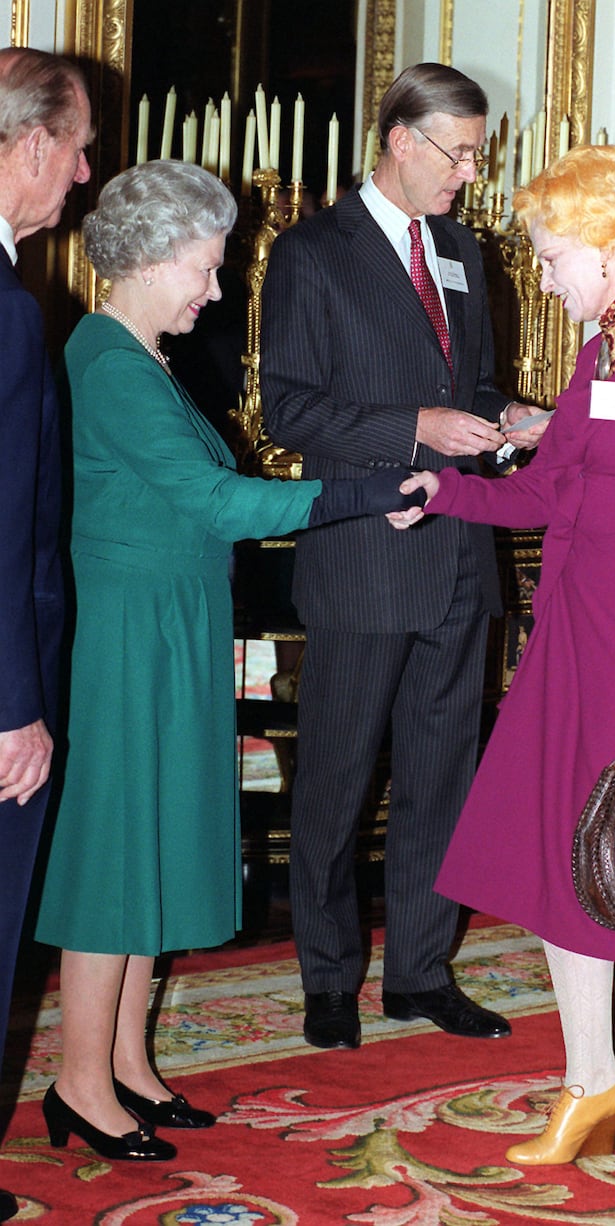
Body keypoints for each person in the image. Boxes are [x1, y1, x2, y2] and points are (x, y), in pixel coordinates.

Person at [32, 159, 421, 1164]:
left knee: (153, 840)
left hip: (167, 620)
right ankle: (78, 1081)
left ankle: (122, 1059)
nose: (214, 288)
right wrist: (360, 493)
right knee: (116, 853)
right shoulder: (110, 361)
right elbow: (222, 503)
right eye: (204, 267)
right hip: (127, 633)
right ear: (154, 258)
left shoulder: (138, 354)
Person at [388, 145, 615, 1186]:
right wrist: (446, 493)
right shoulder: (604, 352)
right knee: (557, 861)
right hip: (572, 638)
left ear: (607, 245)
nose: (540, 274)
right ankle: (590, 1078)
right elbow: (551, 493)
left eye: (550, 255)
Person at [261, 62, 546, 1051]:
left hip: (460, 554)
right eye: (456, 152)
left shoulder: (464, 250)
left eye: (476, 152)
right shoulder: (312, 251)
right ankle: (328, 977)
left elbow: (467, 381)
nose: (469, 172)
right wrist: (412, 424)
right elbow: (288, 407)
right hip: (362, 559)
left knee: (443, 778)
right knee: (335, 780)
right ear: (398, 139)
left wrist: (505, 416)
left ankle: (420, 971)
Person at [0, 46, 92, 1223]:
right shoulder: (10, 316)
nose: (81, 171)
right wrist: (14, 705)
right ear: (25, 147)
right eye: (73, 146)